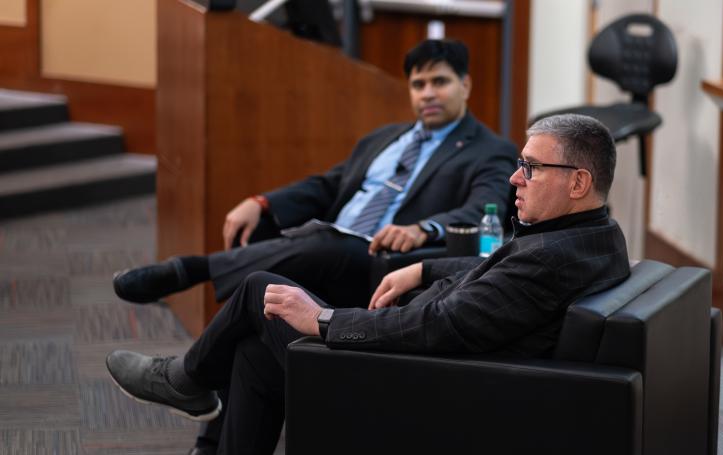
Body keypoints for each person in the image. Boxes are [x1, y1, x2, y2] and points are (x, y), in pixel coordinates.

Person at [106, 114, 631, 454]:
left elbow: (438, 326)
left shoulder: (550, 257)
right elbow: (492, 270)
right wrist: (424, 269)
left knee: (261, 290)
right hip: (434, 368)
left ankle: (185, 379)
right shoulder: (593, 235)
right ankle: (193, 391)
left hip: (416, 387)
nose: (516, 178)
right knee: (254, 352)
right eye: (519, 165)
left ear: (578, 181)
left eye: (531, 168)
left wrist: (323, 320)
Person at [113, 38, 515, 309]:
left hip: (384, 262)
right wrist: (262, 202)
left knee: (329, 242)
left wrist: (422, 228)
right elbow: (328, 185)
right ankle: (209, 396)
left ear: (465, 85)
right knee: (260, 263)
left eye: (440, 82)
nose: (427, 93)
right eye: (418, 84)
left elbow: (486, 208)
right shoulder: (383, 138)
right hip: (326, 244)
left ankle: (192, 270)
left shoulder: (490, 149)